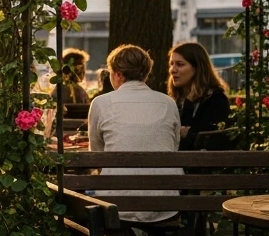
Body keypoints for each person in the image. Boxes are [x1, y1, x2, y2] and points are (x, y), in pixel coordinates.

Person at [87, 44, 182, 224]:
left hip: (116, 204)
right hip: (164, 203)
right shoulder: (168, 103)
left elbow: (96, 156)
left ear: (118, 75)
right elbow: (173, 147)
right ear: (145, 73)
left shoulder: (101, 103)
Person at [168, 41, 231, 151]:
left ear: (198, 67)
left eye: (180, 64)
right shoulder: (175, 99)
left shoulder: (216, 100)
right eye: (171, 64)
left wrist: (189, 133)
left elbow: (209, 142)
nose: (172, 70)